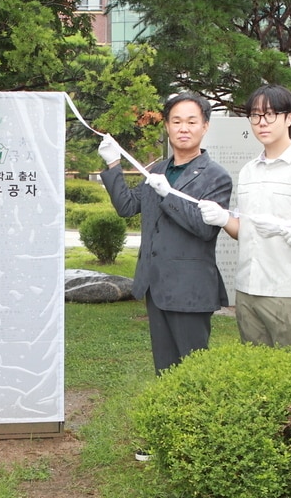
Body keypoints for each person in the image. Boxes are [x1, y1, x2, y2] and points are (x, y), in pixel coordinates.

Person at [98, 92, 232, 373]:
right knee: (165, 368)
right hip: (155, 285)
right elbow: (127, 206)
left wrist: (168, 194)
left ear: (205, 126)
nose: (184, 128)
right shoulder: (158, 170)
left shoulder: (215, 176)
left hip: (190, 291)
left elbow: (204, 229)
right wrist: (113, 165)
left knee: (192, 370)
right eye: (177, 121)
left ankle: (195, 418)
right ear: (167, 127)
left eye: (192, 122)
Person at [198, 84, 291, 354]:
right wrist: (224, 218)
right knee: (256, 373)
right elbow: (244, 231)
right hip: (248, 288)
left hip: (289, 291)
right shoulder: (250, 170)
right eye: (255, 115)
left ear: (289, 118)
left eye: (270, 114)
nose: (262, 123)